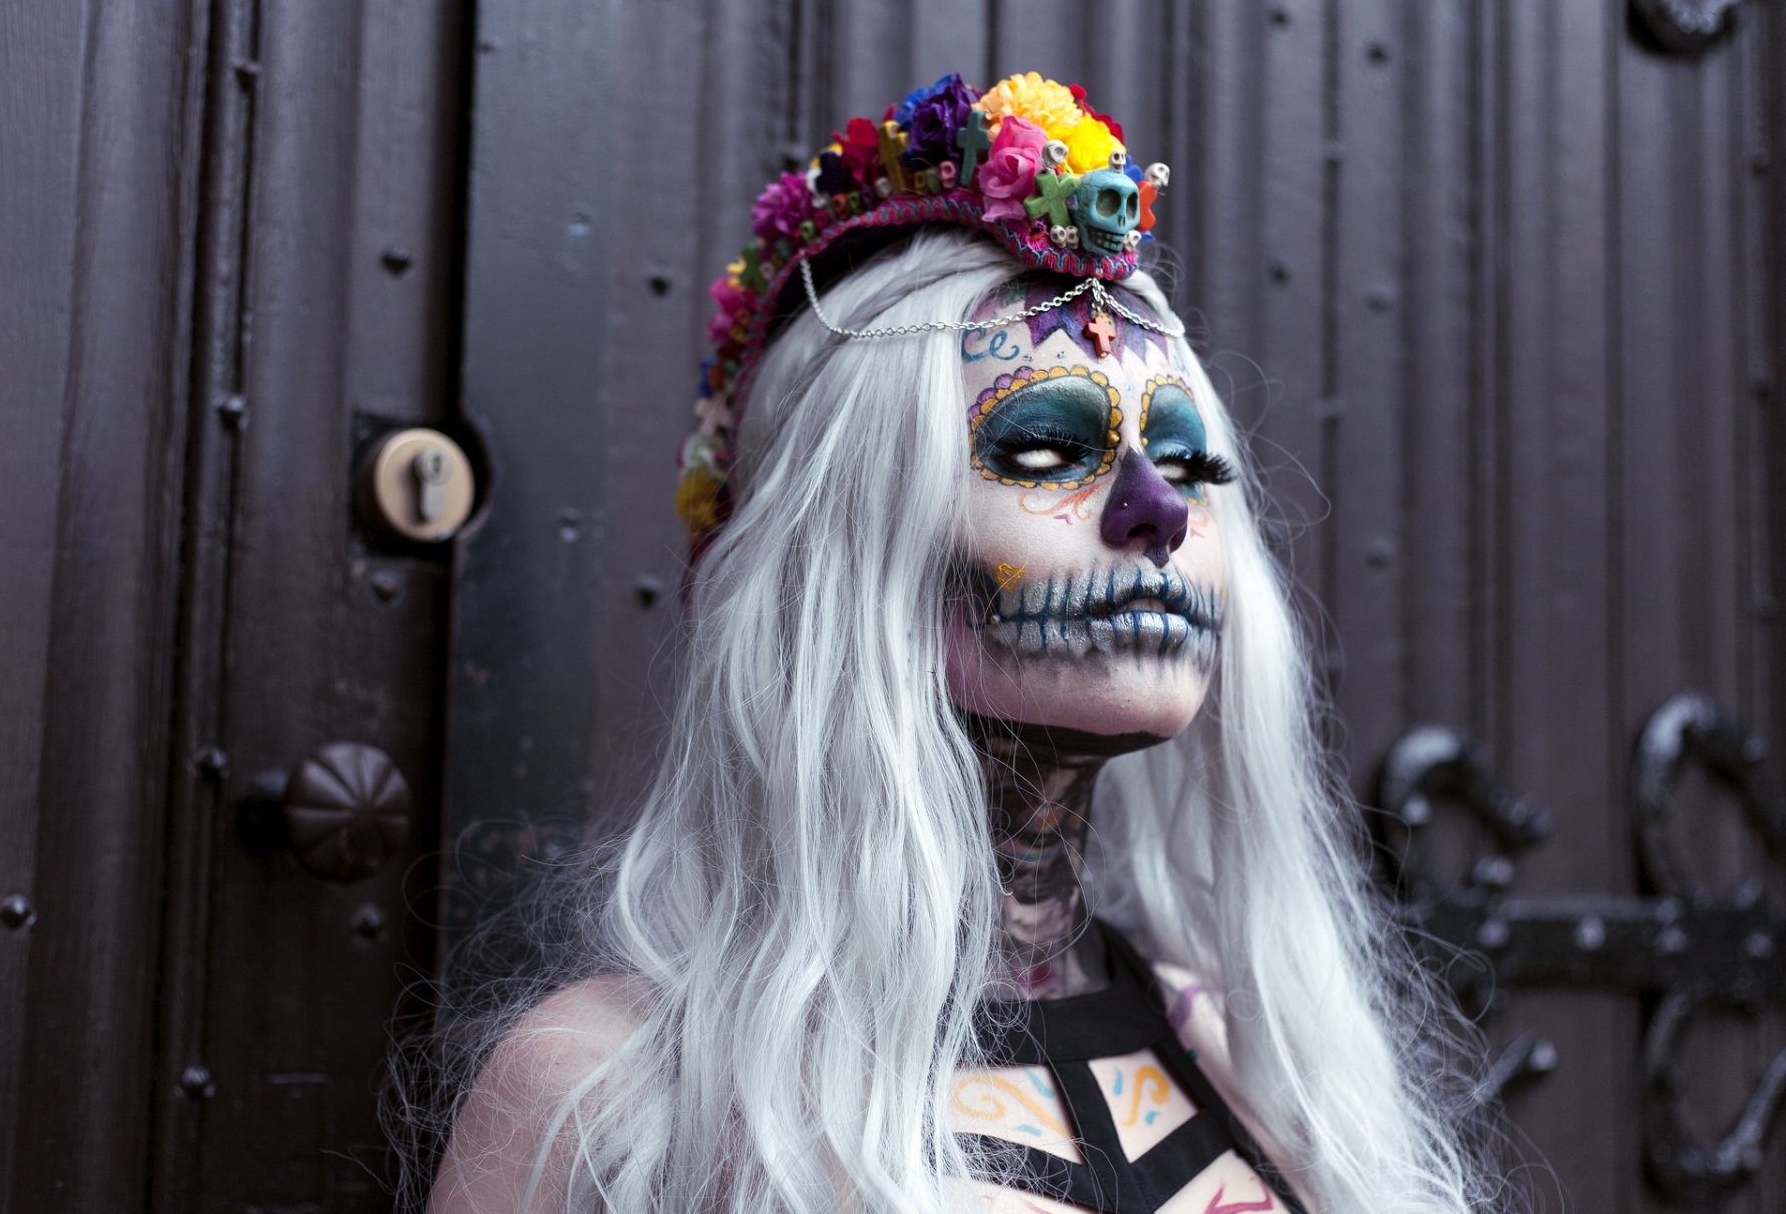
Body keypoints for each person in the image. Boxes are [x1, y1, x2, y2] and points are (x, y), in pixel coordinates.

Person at [418, 72, 1510, 1213]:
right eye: (1044, 450)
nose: (1159, 510)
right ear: (851, 545)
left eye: (1189, 462)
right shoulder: (610, 1085)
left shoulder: (1258, 1053)